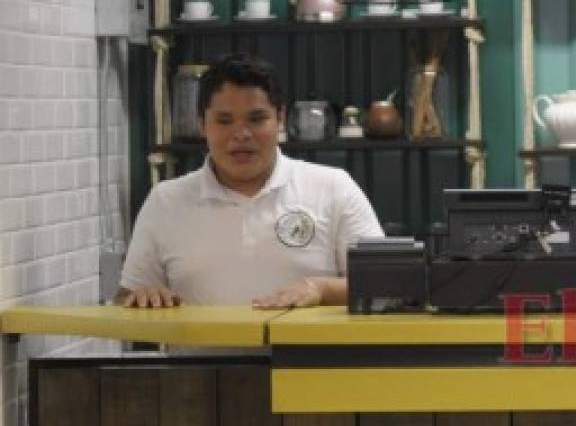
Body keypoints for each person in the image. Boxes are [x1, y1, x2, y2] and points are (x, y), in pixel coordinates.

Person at [116, 53, 383, 308]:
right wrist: (144, 296)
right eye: (224, 121)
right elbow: (126, 297)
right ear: (202, 125)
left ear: (279, 118)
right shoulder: (166, 200)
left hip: (306, 357)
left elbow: (385, 285)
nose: (241, 134)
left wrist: (321, 288)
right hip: (197, 357)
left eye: (256, 119)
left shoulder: (332, 188)